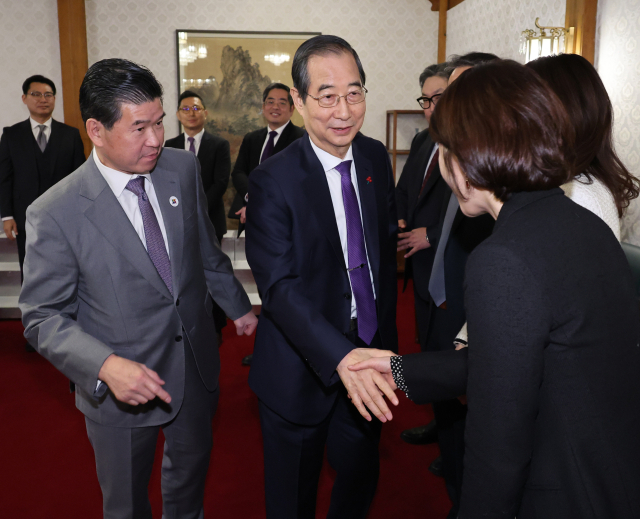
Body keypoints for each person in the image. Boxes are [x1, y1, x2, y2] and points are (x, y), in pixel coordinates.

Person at [353, 59, 640, 518]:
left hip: (564, 489)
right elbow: (511, 362)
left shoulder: (503, 257)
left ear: (467, 156)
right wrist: (402, 370)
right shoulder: (580, 221)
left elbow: (497, 441)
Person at [19, 58, 258, 519]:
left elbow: (203, 251)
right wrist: (105, 366)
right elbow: (42, 317)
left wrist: (238, 306)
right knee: (126, 503)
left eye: (160, 121)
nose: (155, 139)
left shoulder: (181, 169)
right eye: (139, 127)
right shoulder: (55, 211)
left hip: (193, 364)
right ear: (96, 129)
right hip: (118, 386)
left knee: (190, 483)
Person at [245, 35, 399, 519]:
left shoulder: (374, 158)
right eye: (327, 96)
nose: (343, 110)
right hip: (300, 366)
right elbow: (278, 289)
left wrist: (374, 346)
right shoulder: (273, 179)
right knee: (292, 498)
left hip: (370, 354)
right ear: (298, 101)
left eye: (354, 93)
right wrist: (342, 356)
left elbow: (380, 256)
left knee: (359, 480)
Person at [395, 62, 452, 449]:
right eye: (426, 99)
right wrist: (398, 217)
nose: (431, 107)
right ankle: (439, 421)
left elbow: (473, 212)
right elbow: (404, 190)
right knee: (428, 345)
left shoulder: (471, 145)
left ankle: (452, 433)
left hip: (447, 264)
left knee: (449, 354)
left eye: (440, 98)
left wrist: (430, 234)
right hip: (417, 264)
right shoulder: (422, 141)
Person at [0, 74, 85, 282]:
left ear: (55, 99)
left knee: (64, 268)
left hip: (64, 215)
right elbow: (4, 177)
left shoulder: (70, 135)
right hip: (24, 215)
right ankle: (32, 313)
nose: (43, 99)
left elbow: (80, 177)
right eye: (36, 94)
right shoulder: (11, 134)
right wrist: (6, 215)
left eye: (48, 94)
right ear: (24, 98)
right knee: (30, 268)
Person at [165, 90, 231, 340]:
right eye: (186, 109)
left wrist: (195, 210)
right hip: (176, 222)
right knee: (185, 275)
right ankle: (186, 324)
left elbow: (221, 182)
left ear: (205, 113)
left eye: (196, 108)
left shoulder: (219, 144)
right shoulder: (169, 146)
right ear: (178, 114)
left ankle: (215, 327)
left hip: (211, 221)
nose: (191, 113)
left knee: (212, 274)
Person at [229, 82, 305, 227]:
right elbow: (239, 172)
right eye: (270, 102)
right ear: (263, 107)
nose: (275, 107)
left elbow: (297, 179)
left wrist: (259, 202)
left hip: (285, 219)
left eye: (282, 103)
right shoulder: (252, 138)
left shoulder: (302, 139)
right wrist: (250, 196)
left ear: (292, 108)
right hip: (250, 217)